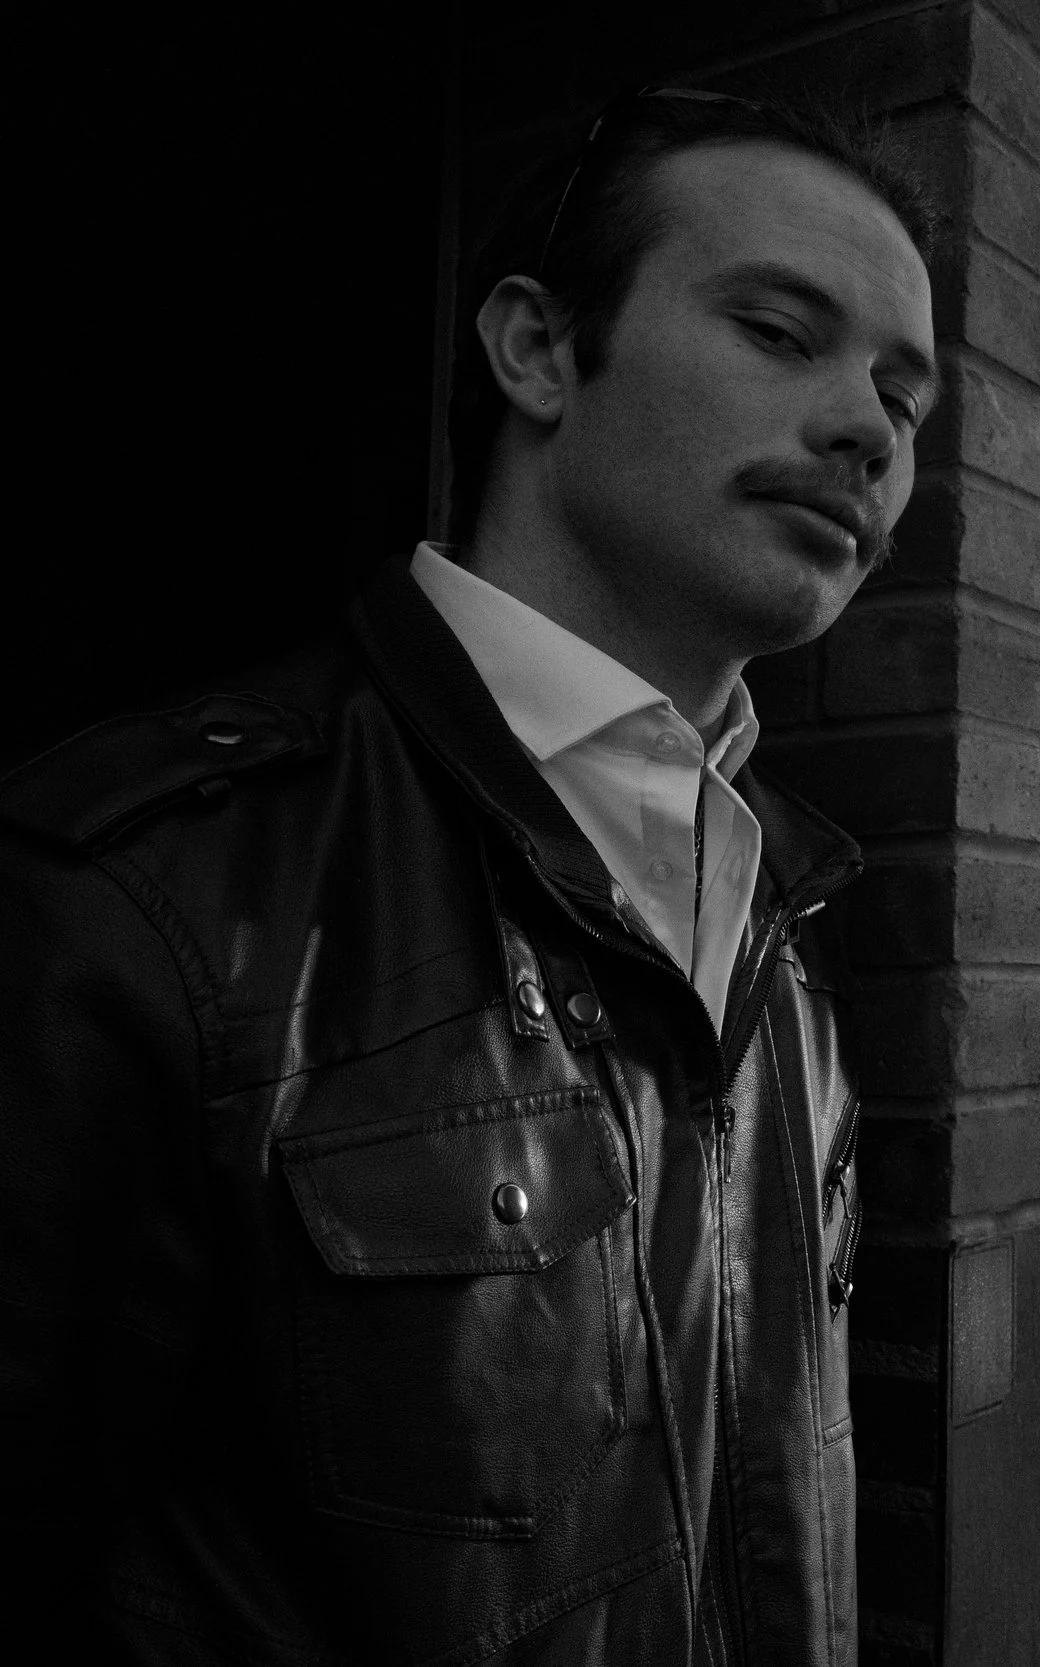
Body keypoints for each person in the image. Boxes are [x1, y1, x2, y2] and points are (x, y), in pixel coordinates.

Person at [0, 89, 938, 1663]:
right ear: (538, 350)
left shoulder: (791, 906)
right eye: (782, 333)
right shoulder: (145, 889)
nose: (868, 430)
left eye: (906, 403)